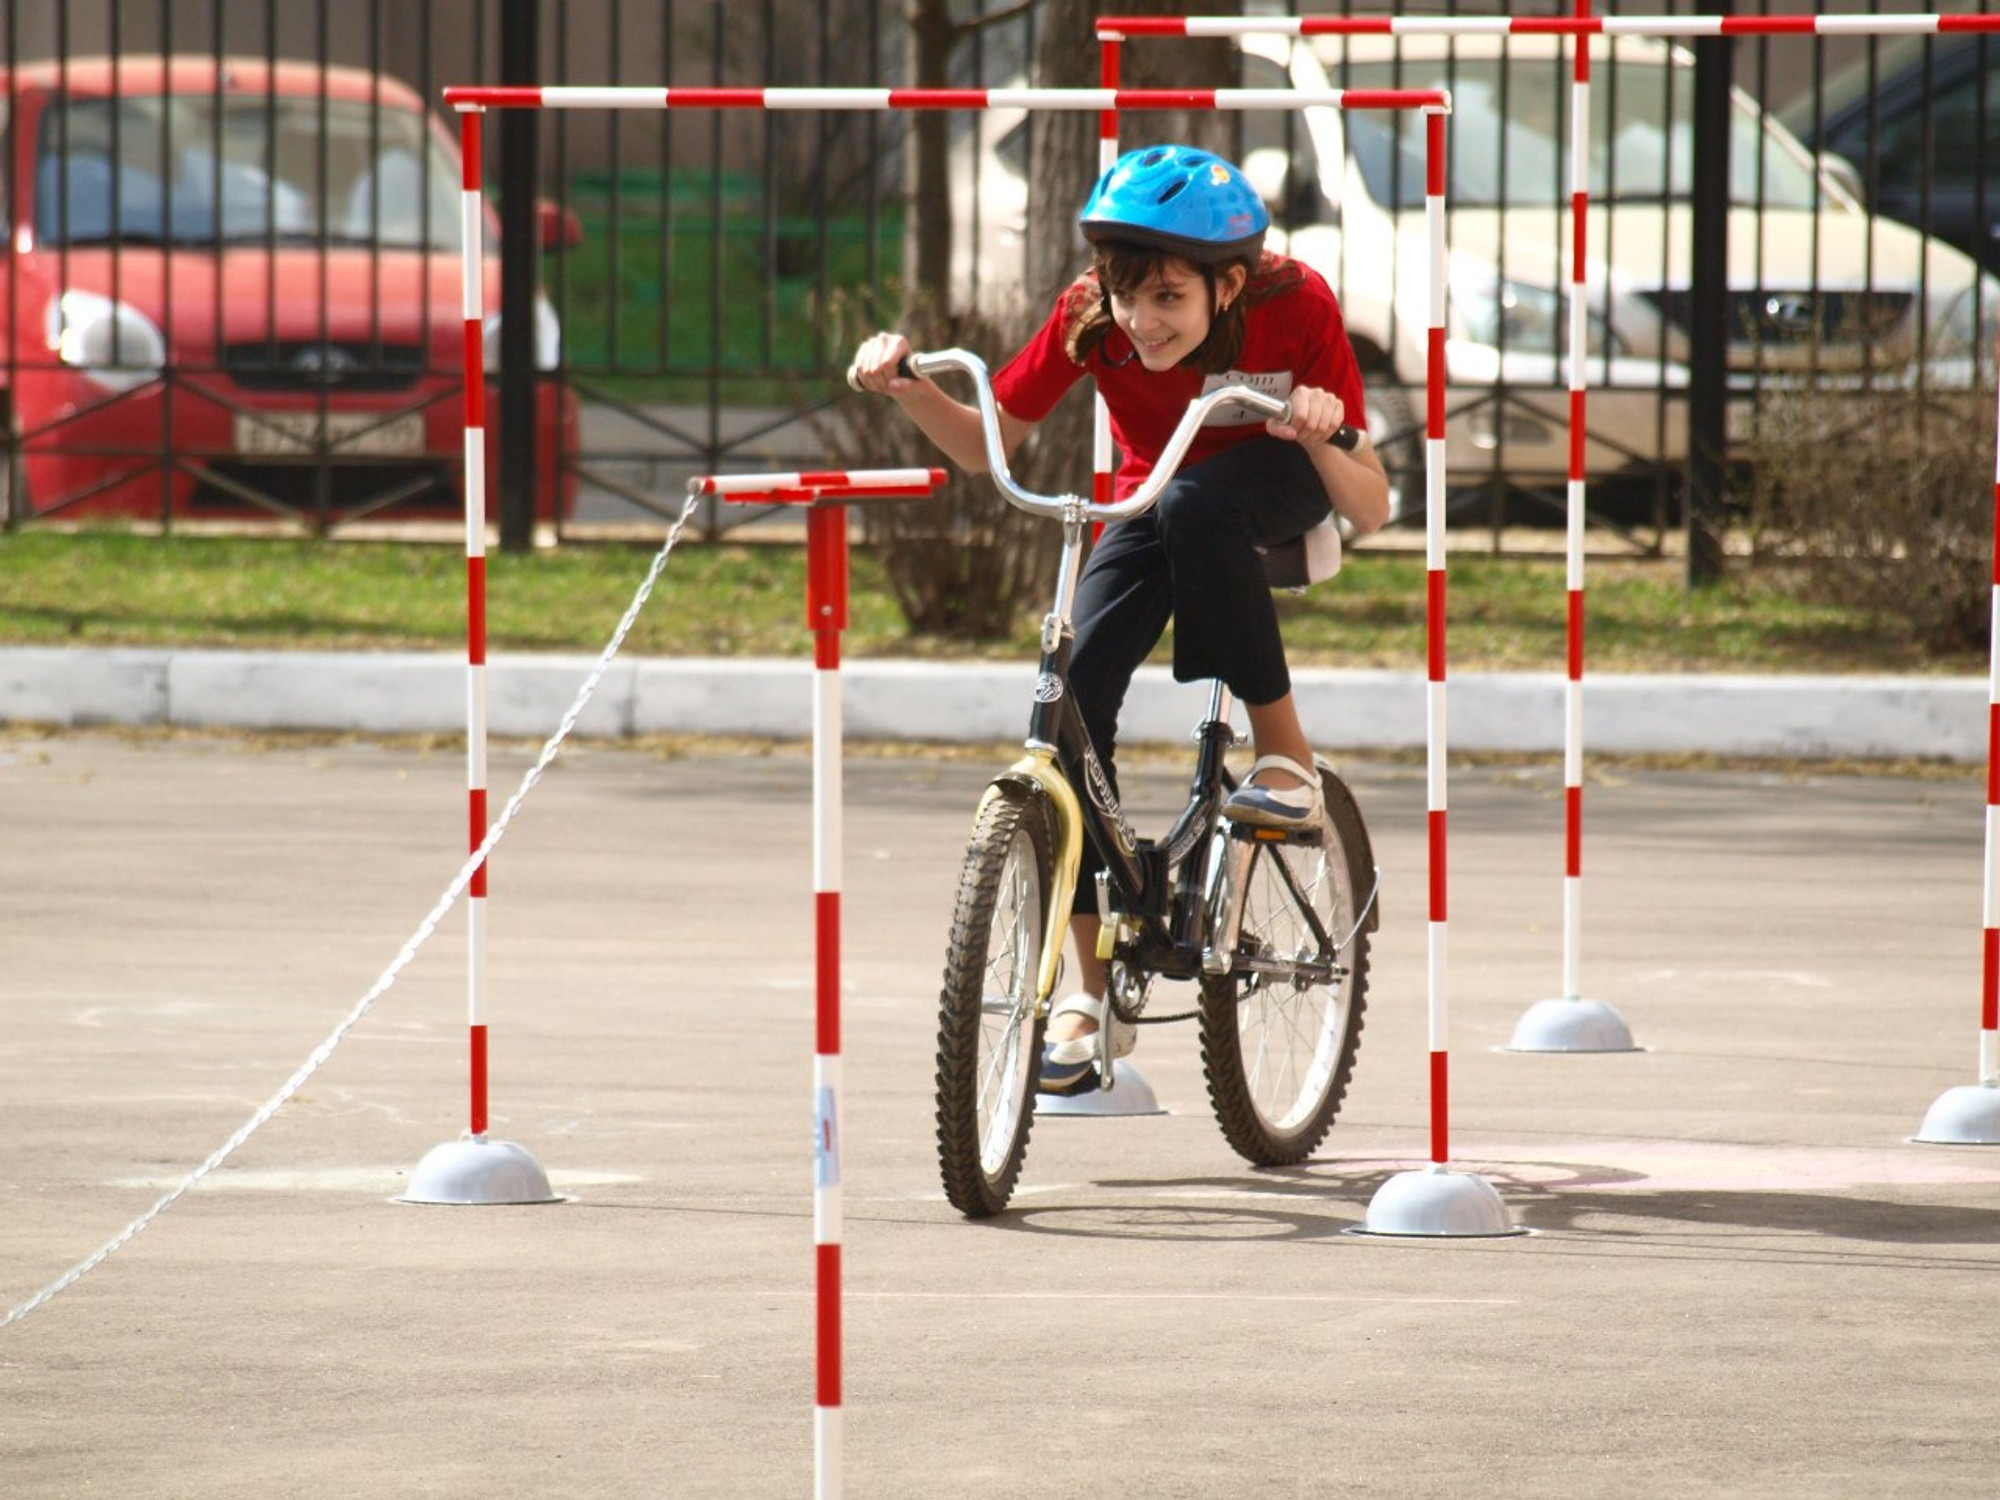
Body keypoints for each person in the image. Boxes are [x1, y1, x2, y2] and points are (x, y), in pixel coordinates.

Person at [849, 143, 1390, 1093]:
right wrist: (909, 387)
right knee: (1070, 702)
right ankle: (1085, 996)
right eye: (1127, 293)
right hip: (1158, 495)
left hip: (1272, 487)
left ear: (1230, 284)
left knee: (1197, 507)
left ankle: (1286, 755)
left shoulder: (1295, 304)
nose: (1143, 322)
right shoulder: (1089, 318)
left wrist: (1319, 424)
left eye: (1169, 299)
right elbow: (987, 444)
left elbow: (1373, 503)